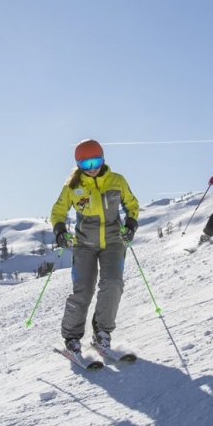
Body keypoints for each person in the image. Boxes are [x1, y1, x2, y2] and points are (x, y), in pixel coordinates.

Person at [50, 139, 140, 354]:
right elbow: (58, 211)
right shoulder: (73, 187)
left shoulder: (117, 181)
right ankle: (72, 336)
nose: (92, 169)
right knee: (84, 289)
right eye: (86, 165)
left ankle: (102, 332)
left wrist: (130, 224)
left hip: (113, 242)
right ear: (78, 165)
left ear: (103, 159)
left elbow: (132, 205)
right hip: (84, 245)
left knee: (112, 284)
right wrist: (60, 230)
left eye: (96, 162)